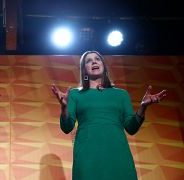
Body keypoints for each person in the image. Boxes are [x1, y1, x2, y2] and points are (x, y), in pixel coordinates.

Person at [51, 51, 166, 180]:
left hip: (117, 152)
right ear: (84, 69)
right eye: (88, 61)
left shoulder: (121, 94)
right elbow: (67, 127)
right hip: (88, 154)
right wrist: (64, 107)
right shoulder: (75, 94)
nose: (93, 62)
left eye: (97, 59)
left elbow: (131, 128)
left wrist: (143, 107)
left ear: (104, 66)